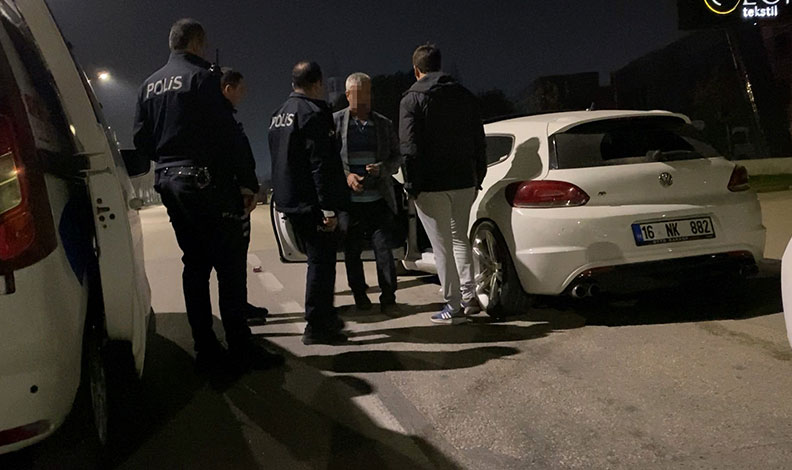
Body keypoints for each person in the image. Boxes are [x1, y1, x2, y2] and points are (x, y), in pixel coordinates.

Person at [133, 18, 283, 372]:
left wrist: (169, 158)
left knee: (195, 265)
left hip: (169, 181)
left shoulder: (148, 86)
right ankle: (240, 347)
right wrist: (247, 183)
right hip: (206, 182)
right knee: (230, 266)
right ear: (197, 43)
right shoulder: (202, 78)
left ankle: (206, 349)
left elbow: (140, 141)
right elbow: (227, 135)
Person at [399, 44, 487, 325]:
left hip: (431, 184)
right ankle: (469, 297)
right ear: (439, 66)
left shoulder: (411, 99)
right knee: (460, 238)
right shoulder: (465, 96)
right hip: (464, 181)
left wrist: (411, 185)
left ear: (416, 70)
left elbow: (409, 148)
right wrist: (478, 176)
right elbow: (479, 140)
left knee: (441, 246)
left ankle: (453, 305)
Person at [268, 61, 349, 345]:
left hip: (289, 200)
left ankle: (326, 316)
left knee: (319, 262)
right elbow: (320, 165)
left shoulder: (279, 114)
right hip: (312, 202)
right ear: (316, 83)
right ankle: (317, 326)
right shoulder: (312, 113)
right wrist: (327, 207)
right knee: (321, 264)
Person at [333, 73, 402, 312]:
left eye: (367, 94)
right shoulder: (335, 123)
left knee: (383, 249)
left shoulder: (383, 124)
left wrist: (382, 168)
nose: (364, 100)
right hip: (349, 202)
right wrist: (347, 176)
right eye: (358, 95)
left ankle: (389, 297)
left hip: (378, 199)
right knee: (352, 251)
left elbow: (397, 157)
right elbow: (328, 160)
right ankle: (360, 296)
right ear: (347, 95)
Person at [220, 67, 269, 320]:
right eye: (241, 88)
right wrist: (248, 188)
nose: (244, 94)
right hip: (233, 197)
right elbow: (237, 158)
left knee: (235, 261)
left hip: (232, 194)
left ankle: (239, 306)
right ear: (228, 88)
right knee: (234, 260)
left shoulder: (221, 118)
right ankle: (236, 313)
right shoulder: (222, 120)